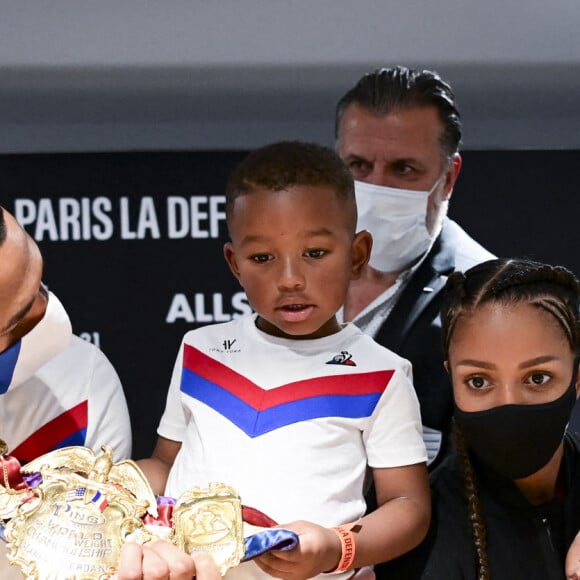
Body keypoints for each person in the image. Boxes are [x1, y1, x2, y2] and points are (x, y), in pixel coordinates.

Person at [137, 141, 430, 579]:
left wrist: (338, 547)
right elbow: (164, 464)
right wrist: (101, 483)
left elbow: (407, 506)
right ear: (235, 264)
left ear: (357, 255)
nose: (290, 279)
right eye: (262, 258)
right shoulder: (200, 349)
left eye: (314, 253)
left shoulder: (381, 373)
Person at [380, 258, 580, 579]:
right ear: (453, 382)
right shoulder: (420, 542)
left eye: (538, 377)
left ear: (577, 378)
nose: (509, 403)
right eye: (479, 381)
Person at [335, 66, 495, 466]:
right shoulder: (296, 271)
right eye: (357, 165)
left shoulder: (488, 301)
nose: (375, 187)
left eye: (403, 169)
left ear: (448, 177)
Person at [0, 205, 132, 577]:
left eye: (39, 283)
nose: (47, 311)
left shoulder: (81, 384)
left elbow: (95, 552)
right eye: (21, 316)